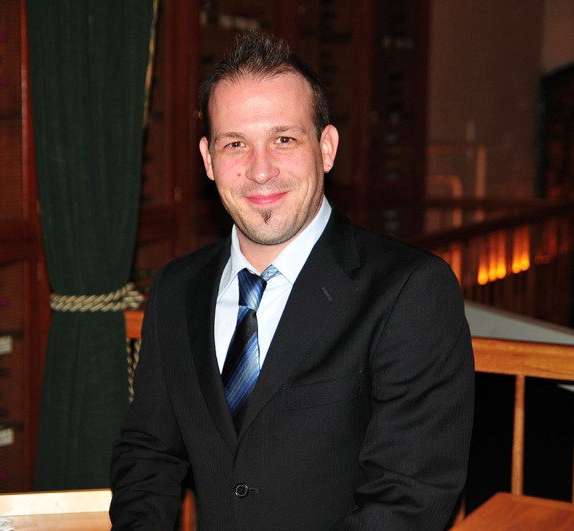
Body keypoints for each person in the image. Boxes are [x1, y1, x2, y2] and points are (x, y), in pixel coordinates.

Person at [110, 31, 474, 530]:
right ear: (209, 160)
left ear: (326, 148)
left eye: (284, 139)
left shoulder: (410, 290)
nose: (261, 171)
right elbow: (148, 453)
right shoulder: (177, 287)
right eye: (235, 144)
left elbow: (408, 498)